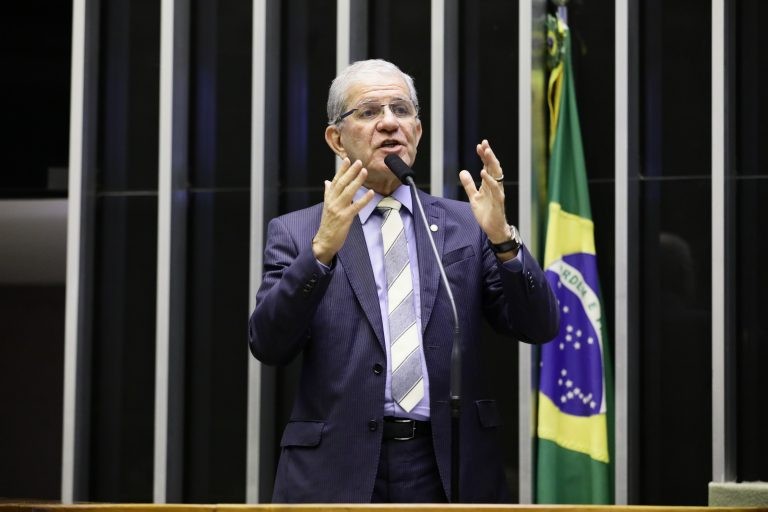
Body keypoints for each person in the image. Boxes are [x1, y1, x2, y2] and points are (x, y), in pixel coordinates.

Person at [249, 59, 559, 503]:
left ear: (417, 130)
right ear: (336, 138)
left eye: (402, 110)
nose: (390, 122)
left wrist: (502, 237)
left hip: (448, 463)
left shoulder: (466, 225)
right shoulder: (298, 231)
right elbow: (268, 343)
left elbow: (539, 326)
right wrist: (320, 253)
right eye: (370, 111)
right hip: (337, 467)